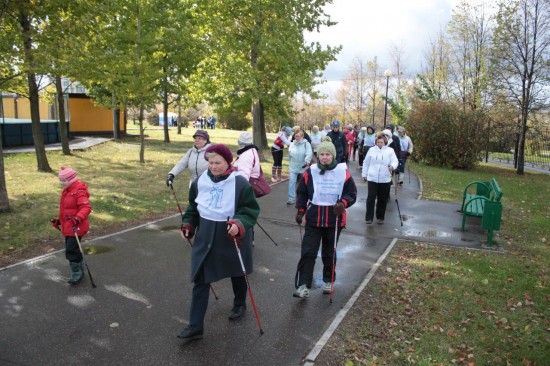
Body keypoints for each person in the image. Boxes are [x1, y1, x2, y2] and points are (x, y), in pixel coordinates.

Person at [177, 144, 260, 340]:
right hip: (206, 236)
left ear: (227, 162)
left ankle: (240, 304)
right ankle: (195, 325)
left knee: (237, 273)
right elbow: (193, 208)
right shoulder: (200, 181)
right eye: (210, 163)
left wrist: (239, 224)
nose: (213, 166)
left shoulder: (239, 183)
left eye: (218, 163)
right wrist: (188, 224)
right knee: (200, 279)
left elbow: (250, 211)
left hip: (230, 235)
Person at [293, 137, 357, 298]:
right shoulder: (310, 171)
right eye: (322, 154)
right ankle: (303, 284)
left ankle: (328, 280)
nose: (325, 157)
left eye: (328, 154)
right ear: (318, 155)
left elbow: (351, 193)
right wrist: (300, 210)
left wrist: (343, 203)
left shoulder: (343, 172)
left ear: (333, 156)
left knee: (329, 252)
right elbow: (302, 192)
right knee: (308, 251)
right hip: (314, 218)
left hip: (334, 219)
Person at [51, 167, 92, 285]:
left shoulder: (79, 190)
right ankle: (80, 269)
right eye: (60, 180)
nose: (61, 183)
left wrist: (77, 218)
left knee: (70, 250)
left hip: (76, 227)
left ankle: (77, 273)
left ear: (72, 179)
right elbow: (67, 210)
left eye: (64, 180)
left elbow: (86, 207)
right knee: (73, 249)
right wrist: (60, 221)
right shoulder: (67, 190)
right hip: (69, 225)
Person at [361, 133, 398, 225]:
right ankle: (369, 218)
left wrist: (392, 166)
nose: (380, 144)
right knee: (371, 197)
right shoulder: (371, 150)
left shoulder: (390, 150)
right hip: (372, 177)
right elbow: (366, 163)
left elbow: (395, 161)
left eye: (381, 142)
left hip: (384, 178)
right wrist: (364, 174)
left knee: (382, 199)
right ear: (376, 142)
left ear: (385, 142)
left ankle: (380, 217)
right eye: (378, 142)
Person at [287, 129, 312, 205]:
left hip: (303, 167)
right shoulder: (292, 144)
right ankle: (291, 199)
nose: (296, 137)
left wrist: (307, 160)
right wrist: (290, 162)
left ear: (302, 136)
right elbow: (289, 154)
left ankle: (304, 198)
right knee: (292, 182)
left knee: (303, 184)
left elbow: (309, 153)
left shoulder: (306, 144)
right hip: (293, 166)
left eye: (298, 136)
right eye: (295, 136)